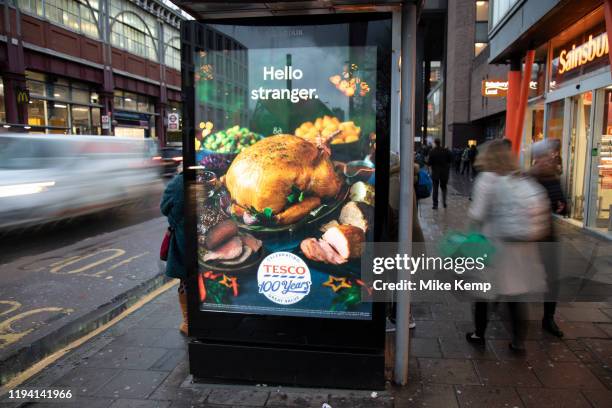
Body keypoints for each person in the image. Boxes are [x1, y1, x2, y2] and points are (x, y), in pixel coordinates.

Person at [464, 139, 548, 352]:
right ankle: (518, 342)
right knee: (516, 296)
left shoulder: (487, 179)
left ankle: (479, 334)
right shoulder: (519, 177)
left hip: (493, 246)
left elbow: (477, 214)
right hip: (521, 250)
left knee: (483, 294)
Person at [530, 139, 566, 338]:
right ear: (536, 158)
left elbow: (561, 201)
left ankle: (548, 318)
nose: (546, 159)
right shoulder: (528, 178)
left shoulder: (553, 177)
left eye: (548, 155)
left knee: (553, 277)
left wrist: (562, 205)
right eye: (543, 156)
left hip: (548, 234)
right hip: (529, 234)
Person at [160, 171, 187, 335]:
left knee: (186, 280)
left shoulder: (180, 181)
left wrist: (176, 219)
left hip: (186, 239)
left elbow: (164, 207)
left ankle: (188, 321)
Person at [427, 138, 453, 209]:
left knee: (435, 189)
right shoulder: (446, 151)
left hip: (435, 173)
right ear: (440, 143)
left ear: (435, 143)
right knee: (444, 188)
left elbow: (429, 163)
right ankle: (444, 203)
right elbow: (450, 160)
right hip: (444, 173)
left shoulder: (432, 151)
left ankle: (435, 204)